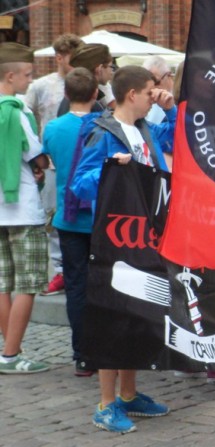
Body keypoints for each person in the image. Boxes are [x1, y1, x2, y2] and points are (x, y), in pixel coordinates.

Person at [71, 65, 175, 432]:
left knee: (137, 315)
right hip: (115, 239)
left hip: (145, 236)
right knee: (112, 319)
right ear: (132, 94)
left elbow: (180, 140)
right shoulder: (102, 132)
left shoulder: (146, 128)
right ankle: (106, 403)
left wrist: (171, 108)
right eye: (149, 92)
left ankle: (129, 395)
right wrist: (109, 167)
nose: (153, 98)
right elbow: (80, 185)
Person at [41, 68, 99, 377]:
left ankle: (83, 355)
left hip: (69, 217)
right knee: (103, 286)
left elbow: (49, 157)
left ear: (66, 94)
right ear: (95, 94)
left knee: (76, 287)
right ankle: (106, 349)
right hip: (100, 218)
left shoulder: (53, 127)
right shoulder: (105, 126)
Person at [0, 42, 50, 374]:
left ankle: (10, 348)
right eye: (28, 75)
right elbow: (38, 156)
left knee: (2, 283)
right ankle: (10, 356)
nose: (30, 81)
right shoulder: (17, 112)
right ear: (10, 76)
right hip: (22, 207)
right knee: (29, 284)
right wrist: (39, 166)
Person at [24, 33, 82, 297]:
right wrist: (35, 154)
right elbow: (27, 115)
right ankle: (60, 269)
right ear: (59, 58)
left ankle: (81, 268)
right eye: (72, 58)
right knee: (53, 216)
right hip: (51, 162)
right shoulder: (41, 85)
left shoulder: (85, 83)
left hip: (80, 160)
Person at [57, 43, 115, 116]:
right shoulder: (89, 102)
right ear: (99, 69)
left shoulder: (74, 97)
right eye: (110, 67)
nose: (111, 72)